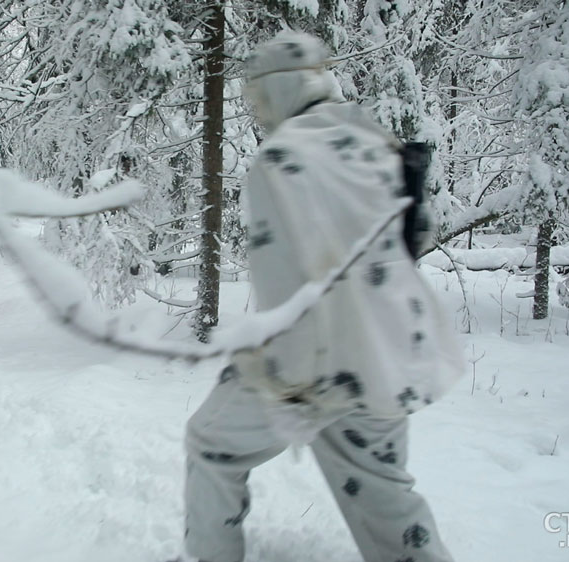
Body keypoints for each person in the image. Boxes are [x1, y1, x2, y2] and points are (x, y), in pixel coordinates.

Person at [177, 30, 465, 562]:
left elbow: (283, 285)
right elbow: (415, 237)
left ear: (273, 91)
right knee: (384, 497)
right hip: (391, 357)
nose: (254, 108)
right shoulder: (374, 141)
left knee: (210, 443)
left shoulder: (281, 160)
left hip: (318, 369)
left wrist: (287, 389)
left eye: (254, 95)